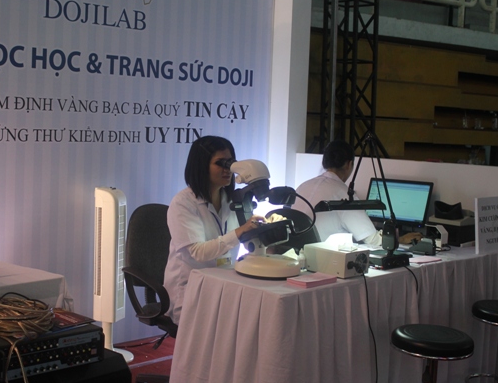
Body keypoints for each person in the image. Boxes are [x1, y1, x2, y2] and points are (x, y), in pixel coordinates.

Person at [163, 135, 264, 325]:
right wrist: (240, 232)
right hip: (191, 288)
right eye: (220, 163)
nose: (228, 169)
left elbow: (245, 240)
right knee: (233, 324)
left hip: (224, 283)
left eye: (230, 163)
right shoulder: (183, 203)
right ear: (201, 165)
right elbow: (198, 253)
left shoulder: (233, 200)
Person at [292, 139, 422, 246]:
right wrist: (401, 239)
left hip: (296, 255)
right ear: (349, 164)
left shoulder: (302, 186)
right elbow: (372, 239)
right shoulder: (345, 194)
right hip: (322, 259)